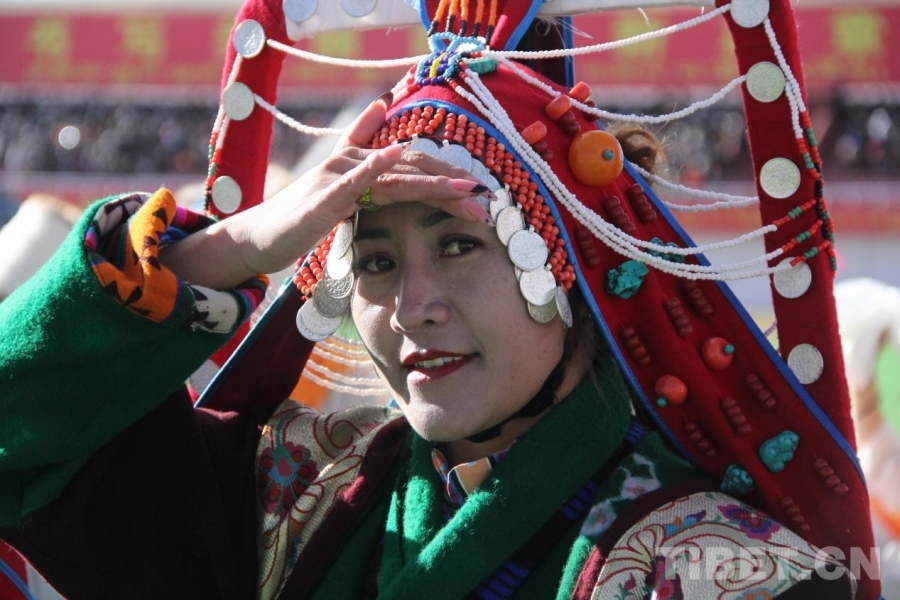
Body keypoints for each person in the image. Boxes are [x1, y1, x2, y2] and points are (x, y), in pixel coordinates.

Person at [0, 0, 877, 598]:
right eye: (376, 262)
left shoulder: (716, 571)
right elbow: (21, 432)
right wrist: (234, 247)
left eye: (459, 245)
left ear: (567, 269)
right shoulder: (299, 495)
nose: (413, 305)